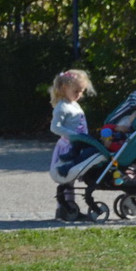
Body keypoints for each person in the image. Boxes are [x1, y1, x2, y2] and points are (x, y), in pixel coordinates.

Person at [45, 69, 103, 223]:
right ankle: (65, 208)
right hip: (68, 146)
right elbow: (55, 127)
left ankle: (69, 207)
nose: (79, 94)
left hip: (78, 145)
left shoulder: (74, 104)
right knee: (67, 178)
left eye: (81, 91)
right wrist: (73, 135)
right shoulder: (62, 107)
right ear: (65, 88)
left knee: (71, 178)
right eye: (76, 91)